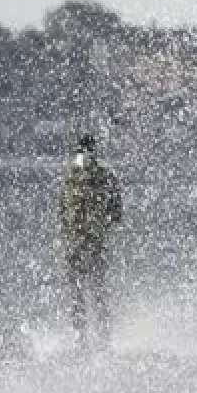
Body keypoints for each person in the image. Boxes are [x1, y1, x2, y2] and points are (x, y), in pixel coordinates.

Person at [57, 133, 122, 349]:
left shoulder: (69, 175)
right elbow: (117, 214)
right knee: (97, 289)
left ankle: (81, 337)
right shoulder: (106, 175)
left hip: (74, 240)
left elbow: (61, 211)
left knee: (77, 290)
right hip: (95, 240)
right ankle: (102, 338)